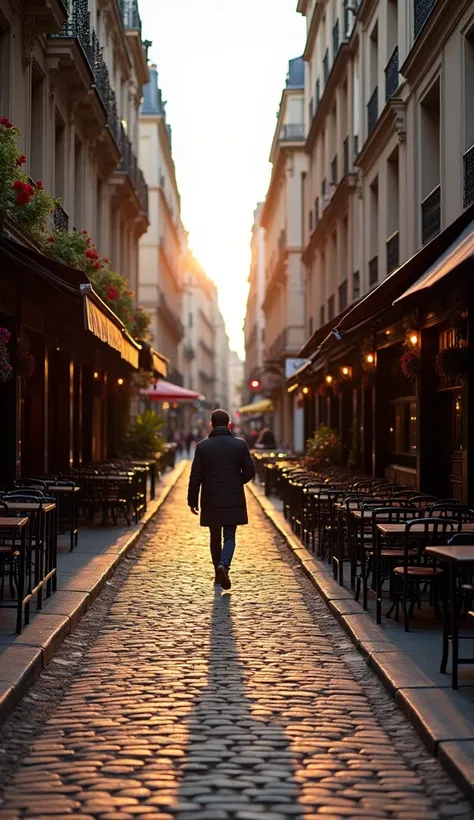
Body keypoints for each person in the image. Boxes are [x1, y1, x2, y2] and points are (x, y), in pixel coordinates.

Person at [188, 408, 255, 590]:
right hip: (233, 498)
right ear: (228, 424)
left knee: (214, 537)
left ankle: (217, 573)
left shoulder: (202, 446)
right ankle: (223, 566)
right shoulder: (240, 445)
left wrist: (192, 500)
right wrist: (237, 481)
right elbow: (250, 471)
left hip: (210, 498)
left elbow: (195, 476)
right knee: (230, 536)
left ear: (211, 423)